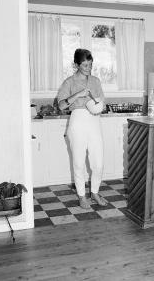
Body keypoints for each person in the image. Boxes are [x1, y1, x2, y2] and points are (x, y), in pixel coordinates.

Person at [57, 48, 108, 209]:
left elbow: (102, 101)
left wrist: (99, 105)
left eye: (90, 64)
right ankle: (82, 196)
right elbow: (61, 105)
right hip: (77, 121)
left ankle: (94, 192)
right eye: (85, 65)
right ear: (76, 65)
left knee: (98, 162)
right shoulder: (69, 82)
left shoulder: (95, 81)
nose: (88, 68)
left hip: (94, 121)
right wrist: (78, 94)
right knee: (79, 162)